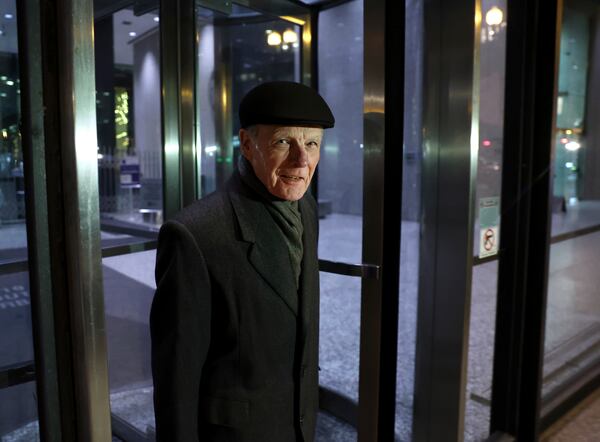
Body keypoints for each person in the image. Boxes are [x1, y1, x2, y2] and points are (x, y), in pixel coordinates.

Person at [150, 81, 335, 442]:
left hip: (297, 425)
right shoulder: (195, 234)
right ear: (248, 145)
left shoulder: (306, 209)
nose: (302, 160)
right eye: (284, 142)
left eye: (312, 143)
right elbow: (176, 378)